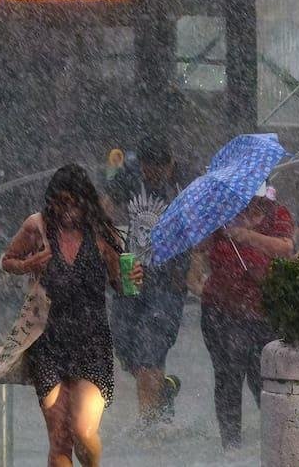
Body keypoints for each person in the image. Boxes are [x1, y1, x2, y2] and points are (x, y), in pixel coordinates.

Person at [0, 164, 143, 467]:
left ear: (84, 200)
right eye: (58, 203)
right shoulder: (37, 227)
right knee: (59, 440)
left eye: (71, 203)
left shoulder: (101, 234)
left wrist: (134, 279)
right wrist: (27, 266)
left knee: (83, 432)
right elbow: (7, 260)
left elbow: (121, 286)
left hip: (92, 343)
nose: (65, 210)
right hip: (48, 342)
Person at [189, 192, 299, 449]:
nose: (250, 201)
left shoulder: (277, 213)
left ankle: (279, 447)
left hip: (262, 312)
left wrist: (247, 236)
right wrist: (209, 224)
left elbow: (285, 247)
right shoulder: (222, 213)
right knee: (228, 377)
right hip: (220, 310)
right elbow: (198, 247)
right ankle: (231, 447)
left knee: (264, 379)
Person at [103, 136, 189, 427]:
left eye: (158, 171)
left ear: (169, 164)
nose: (152, 176)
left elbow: (197, 228)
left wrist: (190, 270)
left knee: (150, 351)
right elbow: (105, 207)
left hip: (168, 281)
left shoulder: (183, 182)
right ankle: (162, 389)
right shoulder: (129, 175)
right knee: (125, 348)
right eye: (147, 170)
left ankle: (149, 428)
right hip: (131, 275)